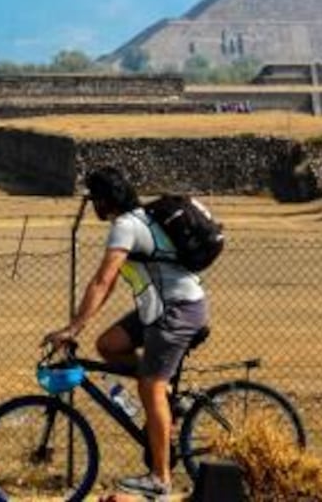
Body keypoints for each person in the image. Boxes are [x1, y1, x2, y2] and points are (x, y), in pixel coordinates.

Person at [43, 166, 209, 501]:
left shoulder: (126, 225)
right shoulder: (137, 221)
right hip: (159, 310)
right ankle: (161, 406)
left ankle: (160, 480)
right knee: (108, 345)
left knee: (151, 385)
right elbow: (111, 283)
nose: (93, 207)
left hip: (178, 310)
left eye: (95, 199)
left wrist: (73, 327)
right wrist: (83, 324)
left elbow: (102, 280)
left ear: (105, 201)